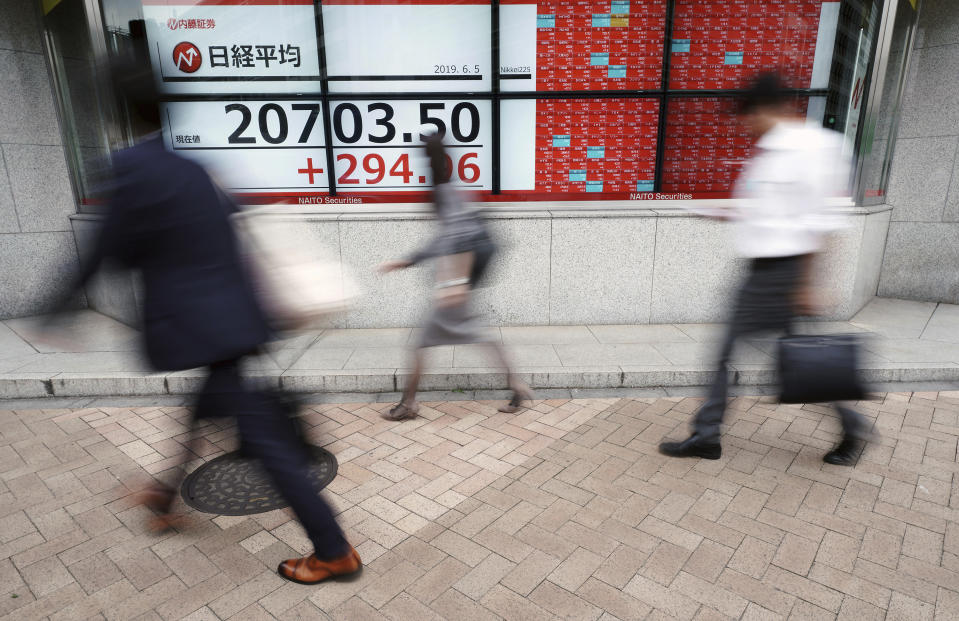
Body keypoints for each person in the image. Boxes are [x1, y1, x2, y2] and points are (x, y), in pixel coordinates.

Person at [48, 59, 361, 584]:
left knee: (267, 444)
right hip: (235, 320)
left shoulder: (132, 170)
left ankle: (333, 550)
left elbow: (104, 253)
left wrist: (54, 309)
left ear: (123, 110)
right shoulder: (196, 168)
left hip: (202, 326)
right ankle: (164, 497)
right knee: (204, 406)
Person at [658, 72, 869, 467]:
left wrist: (809, 284)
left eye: (747, 117)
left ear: (769, 108)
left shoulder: (815, 148)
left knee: (733, 353)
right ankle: (851, 424)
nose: (744, 125)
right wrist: (724, 213)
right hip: (763, 270)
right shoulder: (770, 151)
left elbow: (823, 221)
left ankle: (706, 435)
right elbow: (767, 211)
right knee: (797, 359)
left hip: (785, 272)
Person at [379, 134, 531, 420]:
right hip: (456, 282)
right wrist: (406, 261)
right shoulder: (452, 189)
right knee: (481, 335)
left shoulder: (443, 192)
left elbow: (459, 238)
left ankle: (409, 404)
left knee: (424, 339)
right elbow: (445, 239)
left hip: (453, 285)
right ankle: (516, 385)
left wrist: (455, 284)